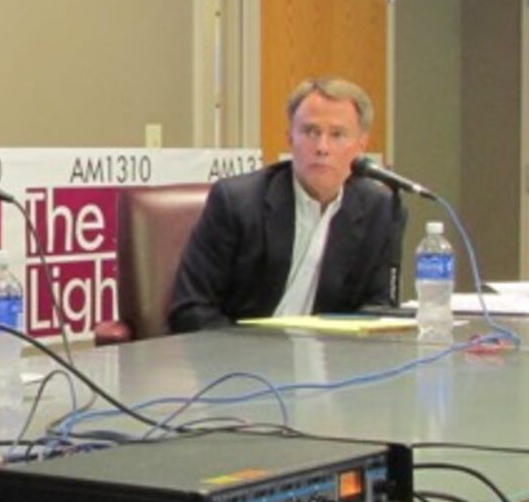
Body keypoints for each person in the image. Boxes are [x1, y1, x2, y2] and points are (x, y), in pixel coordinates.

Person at [168, 77, 406, 332]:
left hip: (330, 352)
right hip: (241, 351)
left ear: (361, 145)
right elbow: (191, 309)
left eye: (337, 135)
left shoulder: (380, 208)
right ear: (290, 137)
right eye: (311, 132)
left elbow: (377, 309)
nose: (322, 147)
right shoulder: (237, 201)